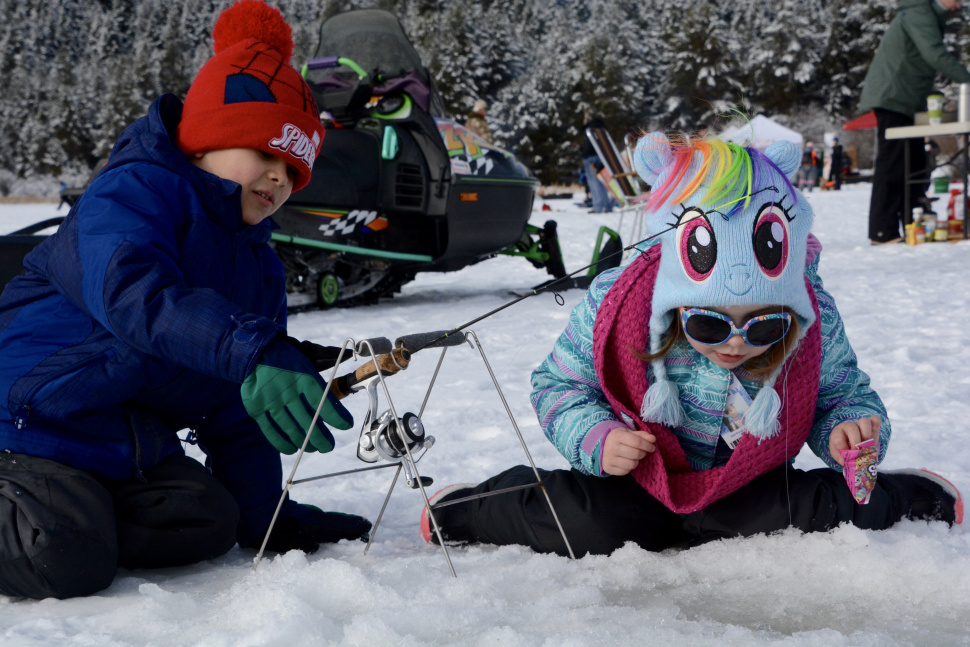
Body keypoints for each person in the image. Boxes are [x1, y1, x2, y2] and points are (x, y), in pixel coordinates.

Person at [420, 133, 963, 557]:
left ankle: (914, 495)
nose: (734, 344)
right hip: (639, 482)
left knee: (818, 510)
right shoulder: (620, 304)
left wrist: (849, 433)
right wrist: (596, 436)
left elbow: (844, 395)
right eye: (708, 325)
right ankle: (466, 508)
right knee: (581, 522)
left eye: (763, 328)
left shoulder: (811, 313)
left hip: (747, 483)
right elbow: (558, 384)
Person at [0, 0, 371, 600]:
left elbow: (237, 406)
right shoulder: (133, 193)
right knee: (62, 556)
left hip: (124, 446)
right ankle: (64, 527)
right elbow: (133, 294)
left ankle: (82, 519)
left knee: (210, 520)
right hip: (28, 422)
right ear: (204, 141)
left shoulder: (257, 264)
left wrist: (267, 518)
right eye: (265, 153)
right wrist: (251, 347)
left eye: (293, 168)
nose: (279, 177)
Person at [859, 0, 970, 244]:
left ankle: (913, 223)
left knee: (915, 162)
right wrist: (967, 79)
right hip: (893, 97)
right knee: (894, 162)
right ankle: (882, 231)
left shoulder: (929, 14)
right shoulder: (919, 13)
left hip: (909, 101)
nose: (961, 3)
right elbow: (934, 54)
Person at [581, 112, 615, 213]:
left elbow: (587, 146)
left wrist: (584, 155)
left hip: (591, 157)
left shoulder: (589, 129)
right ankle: (607, 206)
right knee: (602, 181)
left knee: (593, 182)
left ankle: (598, 207)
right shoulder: (602, 129)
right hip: (602, 157)